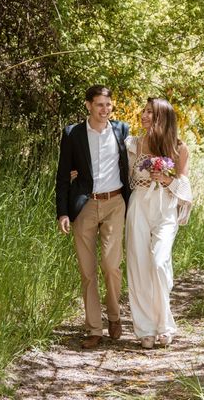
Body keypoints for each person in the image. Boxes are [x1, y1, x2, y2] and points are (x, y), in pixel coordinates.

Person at [55, 85, 131, 349]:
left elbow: (137, 158)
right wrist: (63, 211)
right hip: (85, 205)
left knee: (111, 265)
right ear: (88, 105)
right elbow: (63, 175)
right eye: (99, 104)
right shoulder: (73, 134)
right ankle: (94, 329)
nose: (104, 109)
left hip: (115, 203)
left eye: (108, 104)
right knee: (87, 270)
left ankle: (114, 316)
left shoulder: (122, 130)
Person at [125, 97, 192, 349]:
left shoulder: (179, 148)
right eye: (143, 111)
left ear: (162, 117)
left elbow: (184, 185)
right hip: (139, 203)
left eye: (150, 112)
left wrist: (166, 179)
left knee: (159, 261)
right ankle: (145, 329)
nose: (143, 115)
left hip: (166, 207)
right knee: (139, 264)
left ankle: (165, 324)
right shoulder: (134, 144)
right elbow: (111, 167)